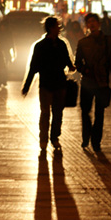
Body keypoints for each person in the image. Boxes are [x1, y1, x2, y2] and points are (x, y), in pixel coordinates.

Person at [22, 15, 75, 153]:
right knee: (46, 113)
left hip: (59, 84)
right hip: (46, 84)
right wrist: (27, 85)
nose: (59, 29)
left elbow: (68, 62)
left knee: (58, 113)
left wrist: (73, 66)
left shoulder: (61, 44)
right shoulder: (40, 46)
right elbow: (34, 67)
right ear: (51, 28)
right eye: (57, 26)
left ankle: (54, 138)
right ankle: (44, 139)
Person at [75, 13, 111, 152]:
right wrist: (85, 70)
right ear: (86, 25)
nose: (92, 24)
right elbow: (77, 63)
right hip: (87, 82)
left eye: (94, 21)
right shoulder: (83, 43)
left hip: (102, 83)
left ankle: (96, 141)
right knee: (85, 111)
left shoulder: (109, 41)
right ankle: (86, 135)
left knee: (100, 114)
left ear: (99, 23)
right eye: (89, 22)